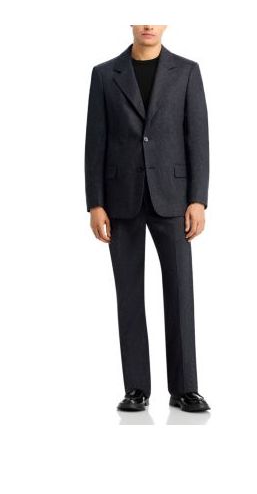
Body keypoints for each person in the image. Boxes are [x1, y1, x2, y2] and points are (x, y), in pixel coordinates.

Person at [84, 25, 210, 413]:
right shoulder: (104, 75)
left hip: (173, 199)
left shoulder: (186, 71)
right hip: (120, 199)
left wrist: (198, 199)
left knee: (180, 292)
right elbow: (95, 141)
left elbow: (198, 138)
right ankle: (136, 388)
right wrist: (95, 203)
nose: (149, 25)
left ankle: (185, 388)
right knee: (129, 295)